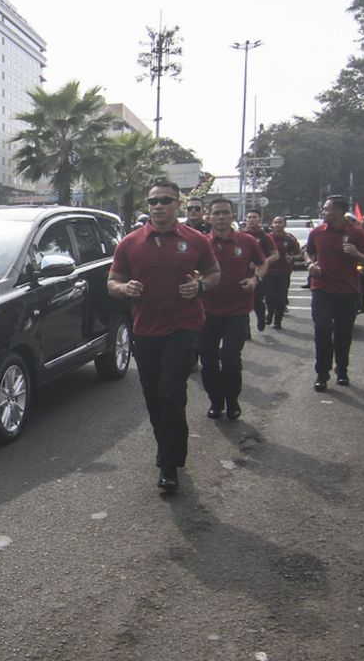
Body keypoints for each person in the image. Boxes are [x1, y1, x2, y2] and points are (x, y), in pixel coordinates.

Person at [108, 179, 220, 495]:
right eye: (154, 201)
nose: (159, 206)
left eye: (166, 200)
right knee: (154, 396)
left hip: (183, 327)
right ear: (148, 205)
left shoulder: (196, 240)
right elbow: (112, 282)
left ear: (178, 205)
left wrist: (199, 287)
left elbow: (214, 274)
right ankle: (166, 447)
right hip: (145, 330)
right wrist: (124, 289)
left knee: (172, 392)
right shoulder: (130, 243)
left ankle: (169, 463)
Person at [198, 198, 264, 421]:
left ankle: (232, 400)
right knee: (207, 361)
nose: (221, 217)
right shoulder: (201, 242)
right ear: (209, 216)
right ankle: (216, 402)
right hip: (206, 311)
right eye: (216, 213)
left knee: (230, 358)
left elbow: (262, 263)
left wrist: (255, 279)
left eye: (225, 212)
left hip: (237, 311)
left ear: (233, 216)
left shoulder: (247, 241)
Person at [305, 195, 364, 390]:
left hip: (348, 291)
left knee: (343, 334)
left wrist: (357, 255)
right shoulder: (317, 232)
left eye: (327, 209)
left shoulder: (357, 233)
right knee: (322, 329)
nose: (323, 212)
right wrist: (311, 264)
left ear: (338, 211)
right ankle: (322, 373)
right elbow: (308, 251)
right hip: (321, 289)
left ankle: (342, 369)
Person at [242, 209, 279, 332]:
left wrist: (262, 262)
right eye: (249, 217)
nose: (251, 220)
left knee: (257, 301)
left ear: (259, 219)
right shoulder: (241, 235)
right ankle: (245, 330)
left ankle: (261, 318)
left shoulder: (265, 237)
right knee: (243, 303)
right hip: (244, 274)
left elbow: (275, 255)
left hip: (260, 274)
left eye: (254, 217)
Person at [264, 216, 303, 328]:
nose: (277, 225)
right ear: (272, 224)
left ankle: (278, 320)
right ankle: (270, 313)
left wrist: (293, 258)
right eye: (275, 222)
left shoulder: (289, 239)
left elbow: (299, 254)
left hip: (284, 272)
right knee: (270, 296)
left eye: (280, 222)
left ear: (285, 225)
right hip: (269, 272)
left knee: (281, 298)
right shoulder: (267, 238)